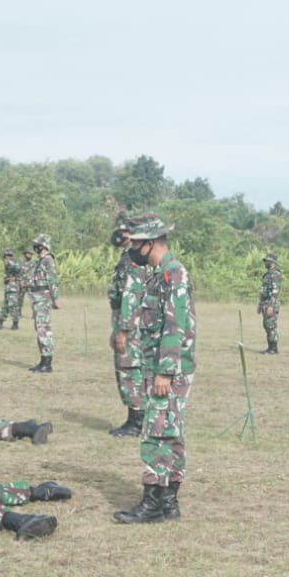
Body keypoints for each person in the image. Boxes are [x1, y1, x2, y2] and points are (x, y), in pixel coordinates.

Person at [114, 216, 195, 525]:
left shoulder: (172, 274)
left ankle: (153, 504)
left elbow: (176, 326)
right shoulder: (160, 273)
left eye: (136, 243)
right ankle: (169, 502)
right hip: (165, 366)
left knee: (155, 434)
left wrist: (165, 371)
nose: (132, 248)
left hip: (167, 370)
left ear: (152, 242)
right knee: (170, 432)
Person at [107, 215, 148, 437]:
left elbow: (131, 297)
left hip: (130, 325)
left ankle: (136, 421)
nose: (118, 234)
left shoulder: (134, 260)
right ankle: (139, 417)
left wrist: (122, 331)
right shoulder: (130, 256)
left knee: (129, 369)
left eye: (123, 230)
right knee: (132, 368)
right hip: (126, 321)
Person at [27, 235, 60, 373]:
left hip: (43, 298)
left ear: (44, 245)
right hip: (37, 298)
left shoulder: (48, 259)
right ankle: (43, 360)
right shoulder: (40, 260)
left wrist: (55, 299)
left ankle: (47, 363)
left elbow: (52, 280)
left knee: (43, 329)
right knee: (39, 328)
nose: (36, 247)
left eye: (38, 244)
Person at [258, 253, 282, 354]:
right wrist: (260, 304)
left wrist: (271, 306)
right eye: (265, 261)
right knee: (267, 325)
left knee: (271, 326)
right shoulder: (267, 274)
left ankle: (274, 349)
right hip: (265, 303)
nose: (266, 263)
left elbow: (275, 291)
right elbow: (263, 291)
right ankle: (270, 347)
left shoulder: (275, 274)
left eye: (268, 261)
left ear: (273, 262)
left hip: (271, 304)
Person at [0, 249, 22, 330]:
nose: (6, 258)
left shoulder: (11, 262)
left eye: (7, 256)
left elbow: (18, 268)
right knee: (5, 306)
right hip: (8, 286)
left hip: (13, 287)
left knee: (13, 306)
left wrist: (14, 276)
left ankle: (15, 324)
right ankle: (0, 323)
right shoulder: (8, 263)